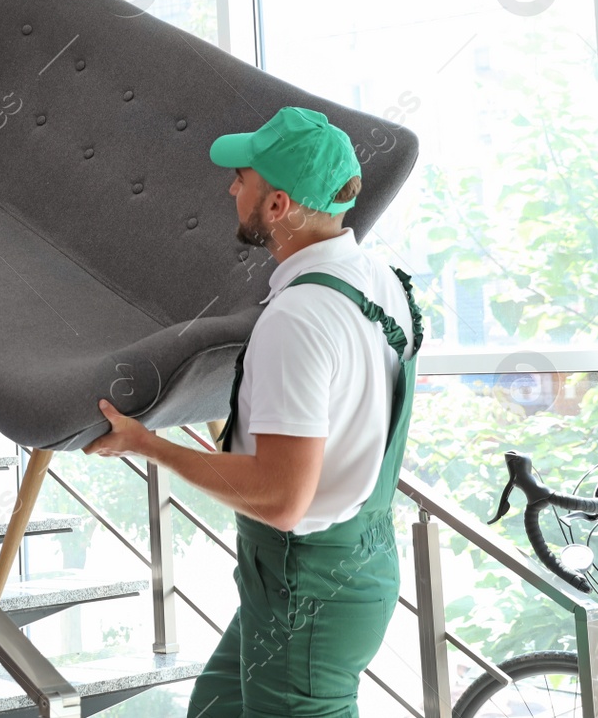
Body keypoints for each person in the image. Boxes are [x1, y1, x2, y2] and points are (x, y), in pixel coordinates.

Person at [86, 106, 423, 718]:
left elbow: (281, 497)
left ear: (277, 206)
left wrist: (149, 444)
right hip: (354, 568)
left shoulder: (298, 319)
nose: (230, 187)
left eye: (242, 178)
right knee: (215, 708)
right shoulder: (381, 279)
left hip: (307, 595)